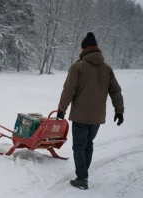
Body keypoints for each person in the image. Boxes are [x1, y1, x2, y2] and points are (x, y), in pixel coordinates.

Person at [57, 32, 124, 190]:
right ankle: (83, 174)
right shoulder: (107, 68)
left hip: (80, 115)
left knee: (79, 147)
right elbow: (115, 91)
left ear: (84, 48)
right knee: (88, 144)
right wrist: (119, 110)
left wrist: (61, 110)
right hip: (97, 117)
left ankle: (82, 178)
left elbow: (68, 90)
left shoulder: (77, 67)